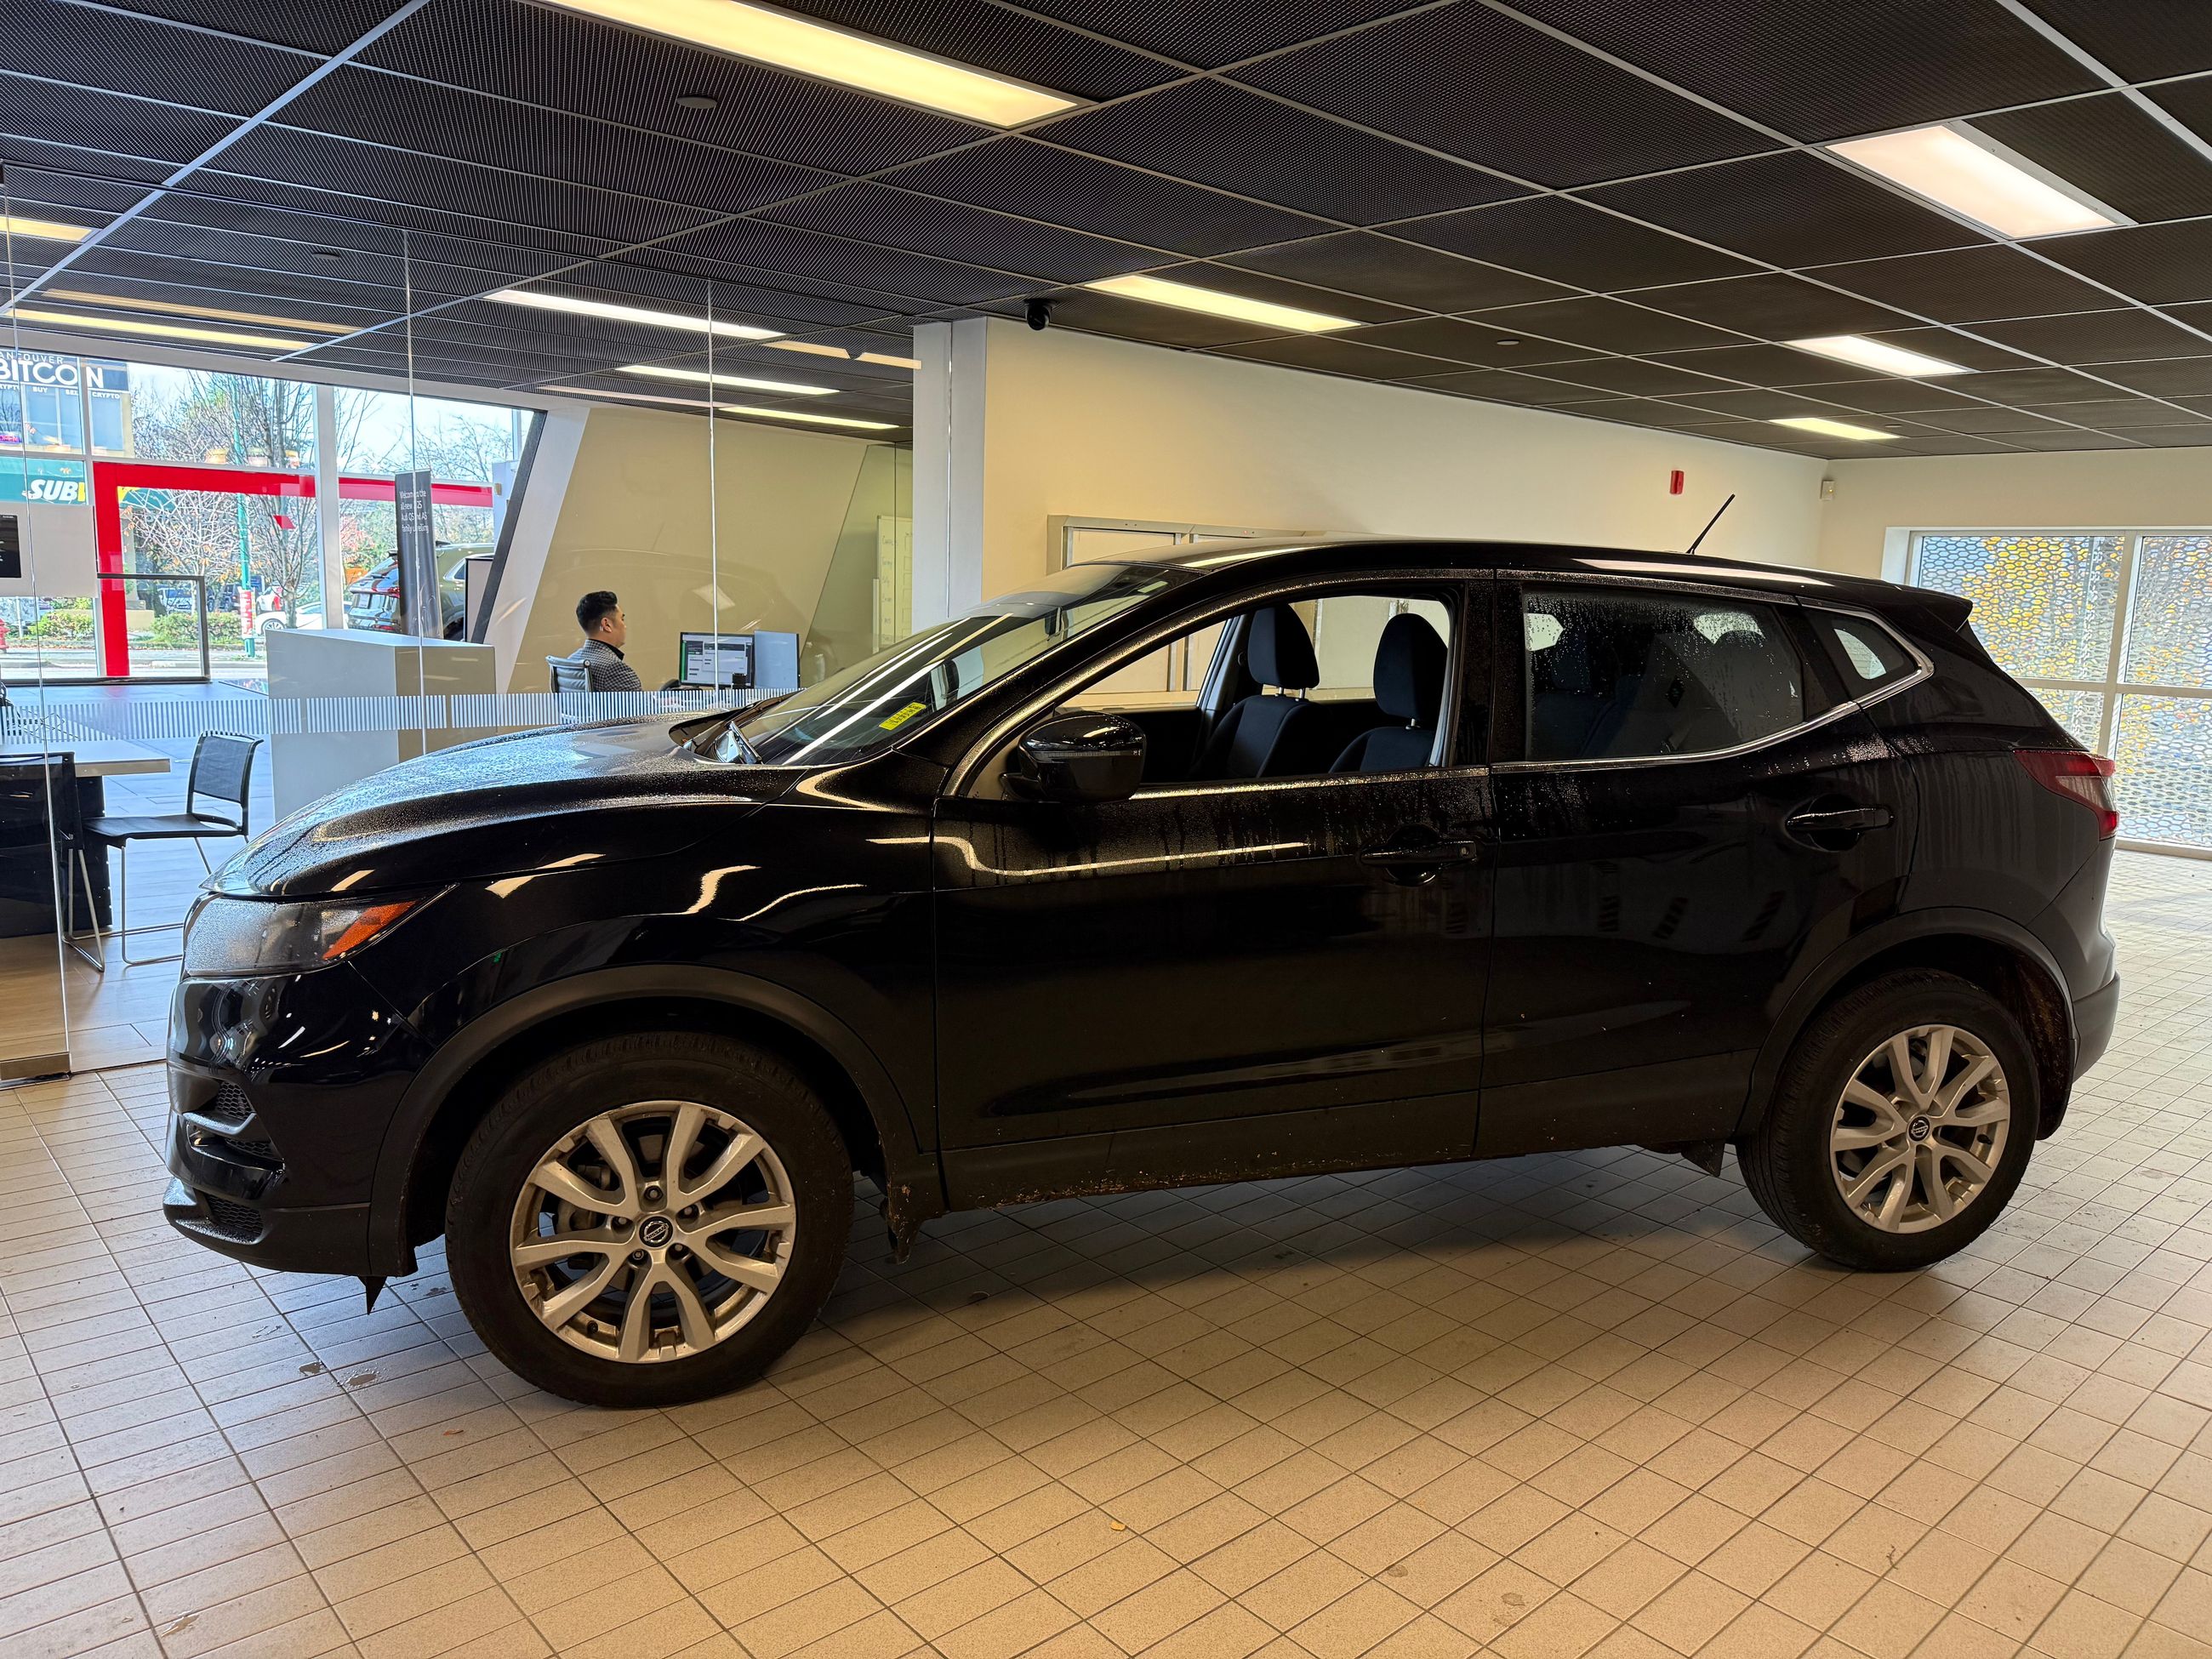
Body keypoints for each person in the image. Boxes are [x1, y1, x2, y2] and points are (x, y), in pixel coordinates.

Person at [567, 590, 641, 693]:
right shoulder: (614, 669)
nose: (625, 626)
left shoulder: (572, 660)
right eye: (622, 619)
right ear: (606, 625)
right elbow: (640, 703)